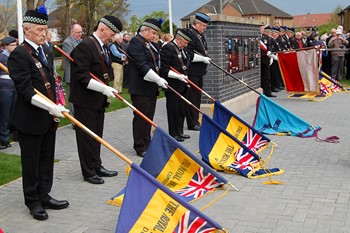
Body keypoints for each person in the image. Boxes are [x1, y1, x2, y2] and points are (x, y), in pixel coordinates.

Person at [7, 6, 69, 221]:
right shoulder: (18, 55)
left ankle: (44, 194)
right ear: (27, 29)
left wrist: (56, 105)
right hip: (29, 118)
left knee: (46, 159)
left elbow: (51, 82)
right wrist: (50, 107)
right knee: (31, 162)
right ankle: (32, 201)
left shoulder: (48, 52)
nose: (45, 33)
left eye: (46, 29)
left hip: (48, 117)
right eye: (41, 29)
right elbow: (25, 92)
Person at [69, 16, 122, 184]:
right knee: (86, 137)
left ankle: (97, 165)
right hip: (85, 101)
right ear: (103, 29)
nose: (112, 38)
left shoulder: (101, 46)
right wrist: (104, 88)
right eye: (112, 34)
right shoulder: (86, 46)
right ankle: (88, 171)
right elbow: (82, 77)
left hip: (97, 100)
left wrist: (105, 89)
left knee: (97, 135)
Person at [127, 18, 168, 157]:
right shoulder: (135, 42)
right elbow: (142, 65)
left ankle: (147, 142)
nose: (155, 36)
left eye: (157, 34)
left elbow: (156, 63)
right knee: (141, 118)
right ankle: (140, 146)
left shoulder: (149, 44)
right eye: (154, 33)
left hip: (150, 87)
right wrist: (158, 79)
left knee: (149, 117)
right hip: (140, 87)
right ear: (144, 30)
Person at [160, 29, 192, 141]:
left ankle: (180, 131)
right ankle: (173, 133)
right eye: (185, 42)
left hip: (182, 85)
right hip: (173, 85)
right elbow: (164, 69)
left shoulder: (181, 49)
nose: (186, 45)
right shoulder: (168, 48)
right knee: (173, 110)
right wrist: (178, 76)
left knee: (181, 110)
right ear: (178, 39)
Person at [185, 12, 211, 131]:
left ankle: (195, 120)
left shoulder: (199, 35)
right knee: (193, 97)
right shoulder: (190, 34)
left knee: (197, 97)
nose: (204, 28)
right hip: (193, 71)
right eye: (203, 26)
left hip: (199, 72)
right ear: (197, 24)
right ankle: (192, 122)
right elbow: (188, 53)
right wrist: (202, 59)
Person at [62, 23, 83, 126]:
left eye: (81, 32)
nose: (80, 34)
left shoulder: (81, 42)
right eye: (78, 32)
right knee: (72, 99)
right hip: (72, 75)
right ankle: (74, 122)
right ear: (72, 32)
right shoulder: (67, 42)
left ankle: (80, 118)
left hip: (81, 75)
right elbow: (71, 57)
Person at [0, 36, 17, 149]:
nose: (14, 47)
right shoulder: (1, 57)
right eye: (12, 45)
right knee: (5, 114)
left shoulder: (16, 56)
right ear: (5, 46)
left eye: (15, 45)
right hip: (4, 88)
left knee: (15, 112)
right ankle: (4, 138)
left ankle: (16, 134)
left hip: (15, 87)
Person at [260, 26, 276, 98]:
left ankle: (267, 92)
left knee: (266, 76)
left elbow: (269, 46)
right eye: (262, 28)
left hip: (265, 59)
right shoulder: (255, 36)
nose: (263, 30)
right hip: (258, 58)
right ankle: (260, 90)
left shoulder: (265, 37)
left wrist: (270, 52)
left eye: (263, 28)